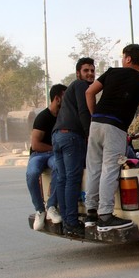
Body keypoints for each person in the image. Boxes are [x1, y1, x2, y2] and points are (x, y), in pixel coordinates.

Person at [84, 44, 139, 232]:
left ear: (128, 58)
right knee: (110, 169)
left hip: (96, 125)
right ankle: (105, 215)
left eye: (123, 56)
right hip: (116, 128)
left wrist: (94, 115)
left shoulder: (112, 73)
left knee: (94, 168)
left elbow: (89, 92)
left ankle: (91, 214)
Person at [51, 57, 95, 238]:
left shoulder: (71, 88)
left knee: (62, 179)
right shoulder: (81, 86)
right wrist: (89, 134)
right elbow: (84, 112)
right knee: (72, 179)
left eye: (92, 70)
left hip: (58, 136)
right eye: (86, 70)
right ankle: (71, 222)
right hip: (71, 137)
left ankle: (65, 220)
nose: (90, 74)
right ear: (78, 73)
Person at [27, 83, 67, 231]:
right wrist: (55, 148)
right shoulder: (43, 117)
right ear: (57, 99)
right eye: (65, 97)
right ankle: (39, 210)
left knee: (59, 167)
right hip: (39, 154)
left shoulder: (64, 117)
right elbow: (35, 144)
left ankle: (51, 206)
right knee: (32, 173)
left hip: (53, 155)